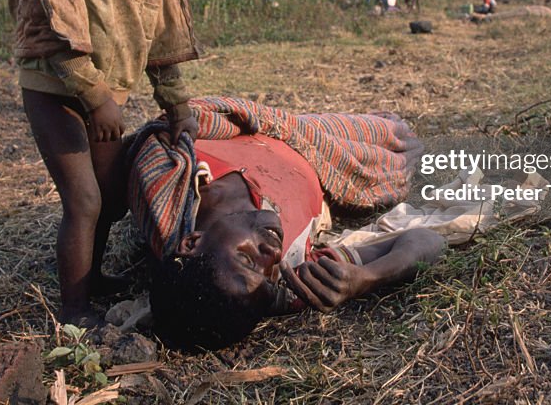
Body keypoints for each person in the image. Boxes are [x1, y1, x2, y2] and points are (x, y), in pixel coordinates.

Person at [3, 0, 200, 327]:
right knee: (85, 200)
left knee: (111, 199)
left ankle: (91, 276)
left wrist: (176, 103)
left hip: (105, 99)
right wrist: (92, 98)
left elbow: (163, 40)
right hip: (56, 92)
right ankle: (73, 309)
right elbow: (56, 36)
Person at [124, 98, 445, 350]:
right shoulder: (293, 277)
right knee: (401, 145)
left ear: (192, 242)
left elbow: (179, 121)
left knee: (391, 127)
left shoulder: (167, 181)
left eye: (247, 258)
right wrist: (365, 278)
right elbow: (427, 241)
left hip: (283, 128)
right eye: (269, 275)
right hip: (323, 154)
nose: (274, 255)